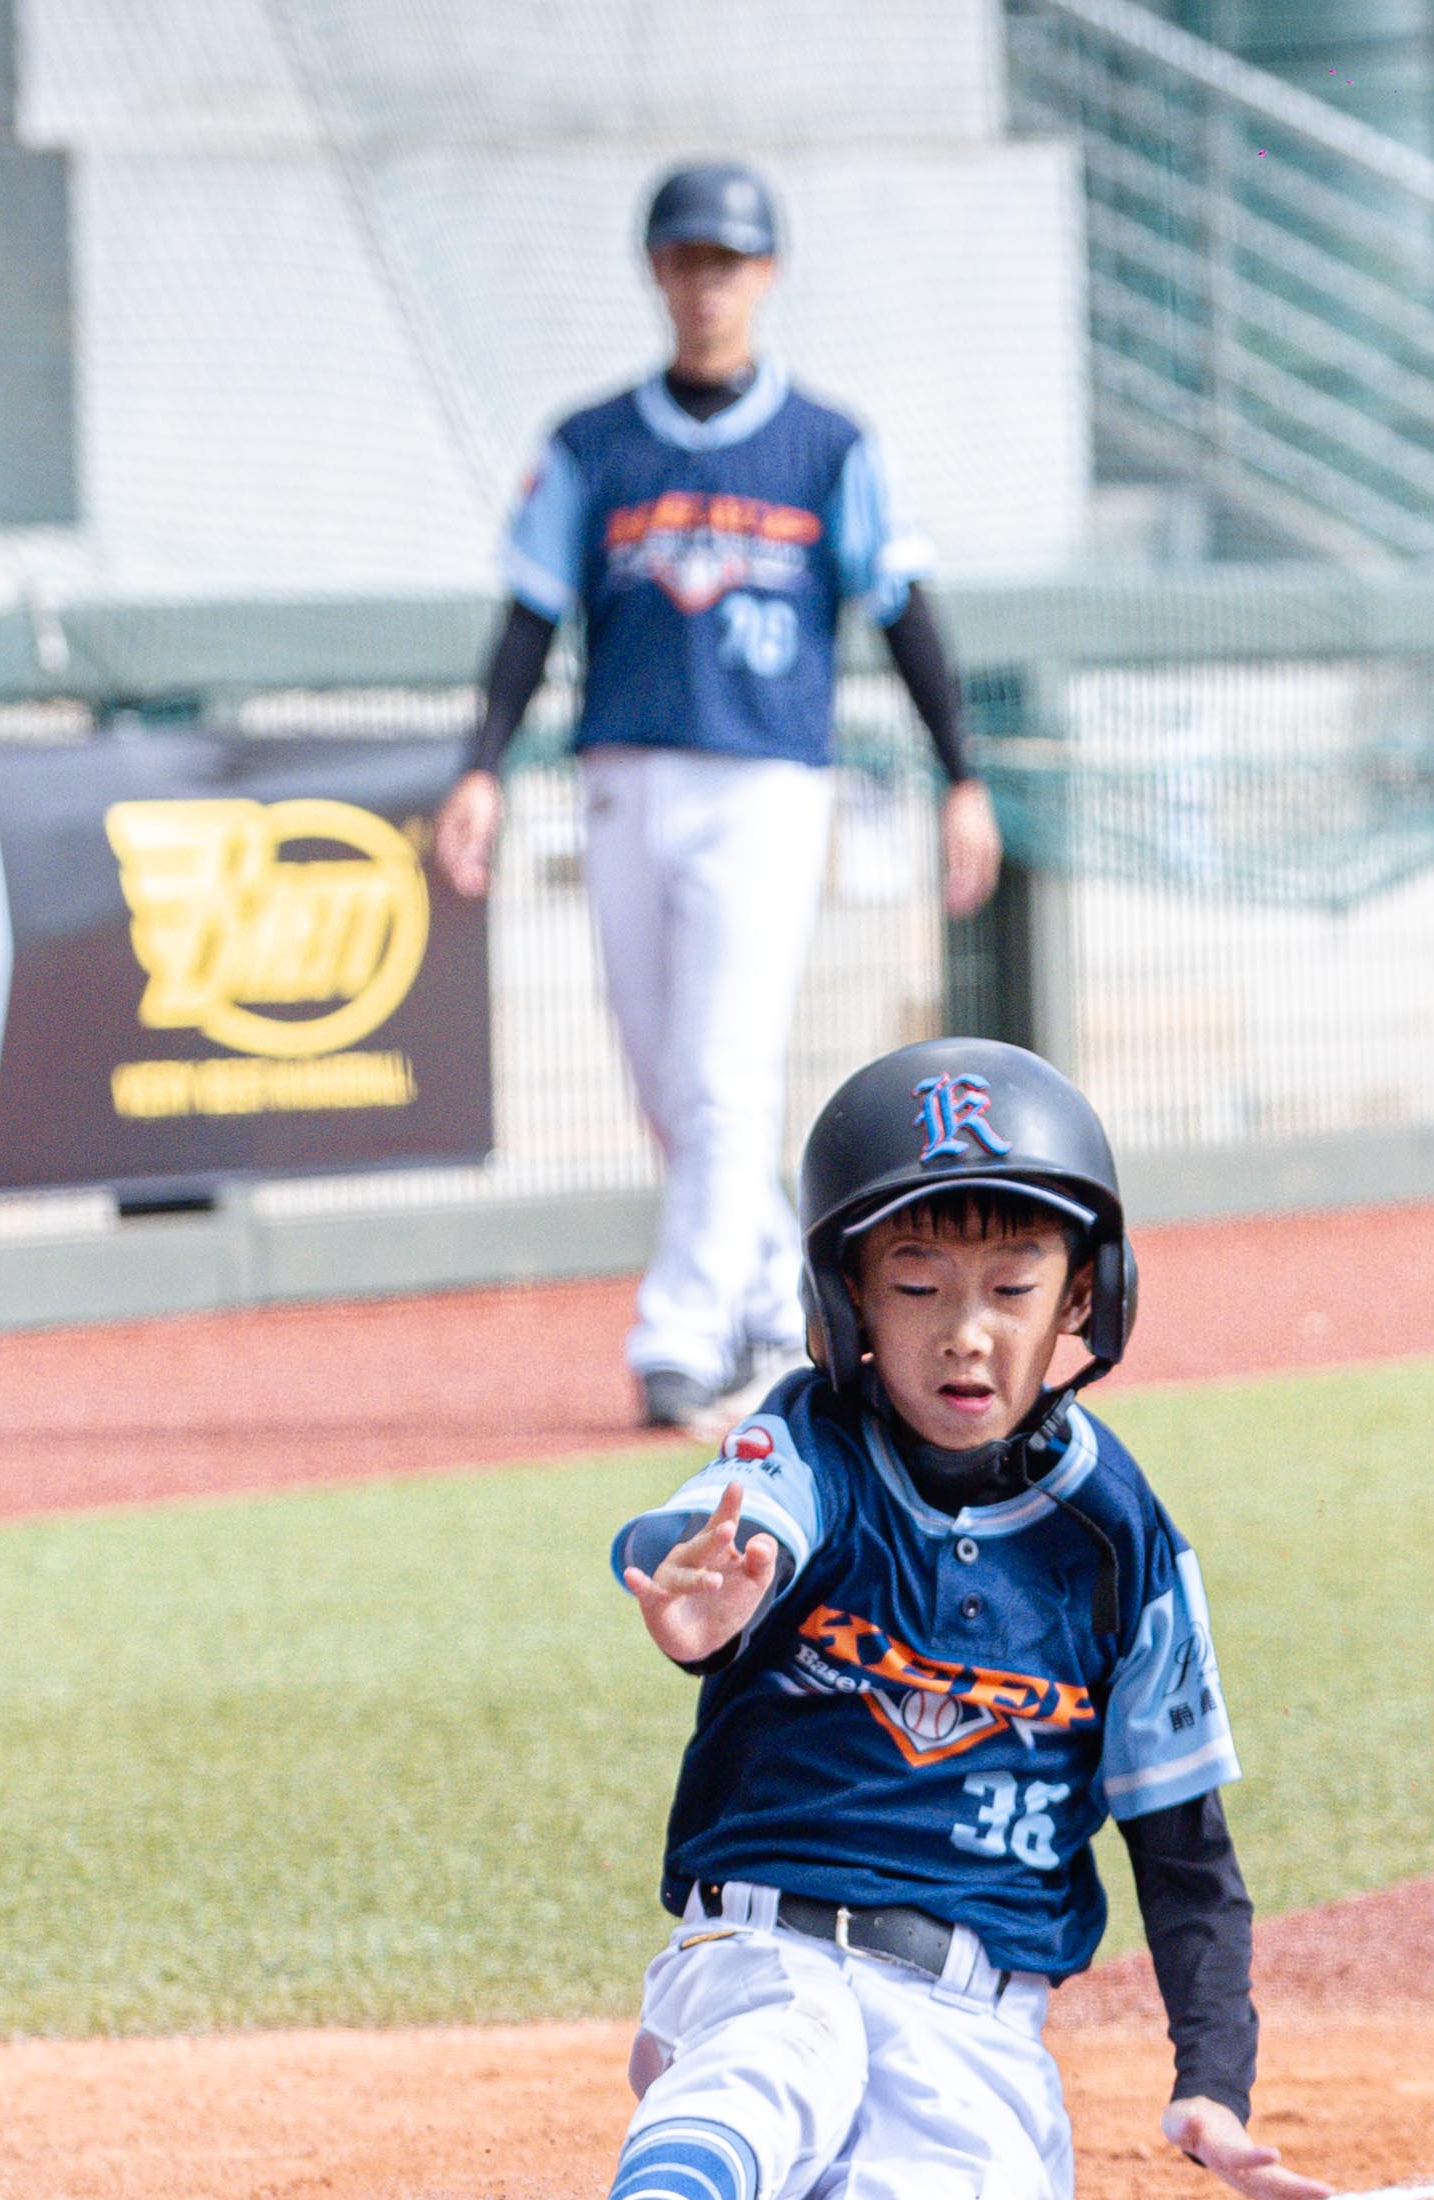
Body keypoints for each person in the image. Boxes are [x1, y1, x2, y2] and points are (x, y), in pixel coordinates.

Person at [450, 1039, 1327, 2200]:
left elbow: (1185, 1848)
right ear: (845, 1302)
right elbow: (724, 1522)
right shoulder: (811, 1443)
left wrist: (1213, 2077)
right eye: (915, 1287)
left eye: (1011, 1288)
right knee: (777, 2063)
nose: (964, 1329)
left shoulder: (1120, 1540)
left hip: (976, 2021)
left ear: (1084, 1297)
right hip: (769, 1945)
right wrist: (696, 1586)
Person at [429, 161, 1003, 1439]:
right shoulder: (593, 442)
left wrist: (961, 774)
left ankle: (677, 1333)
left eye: (729, 262)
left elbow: (903, 607)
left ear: (767, 276)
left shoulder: (826, 443)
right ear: (656, 273)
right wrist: (481, 762)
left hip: (765, 782)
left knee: (721, 1067)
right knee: (665, 1080)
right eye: (687, 260)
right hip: (624, 775)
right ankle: (767, 1294)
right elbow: (529, 615)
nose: (707, 285)